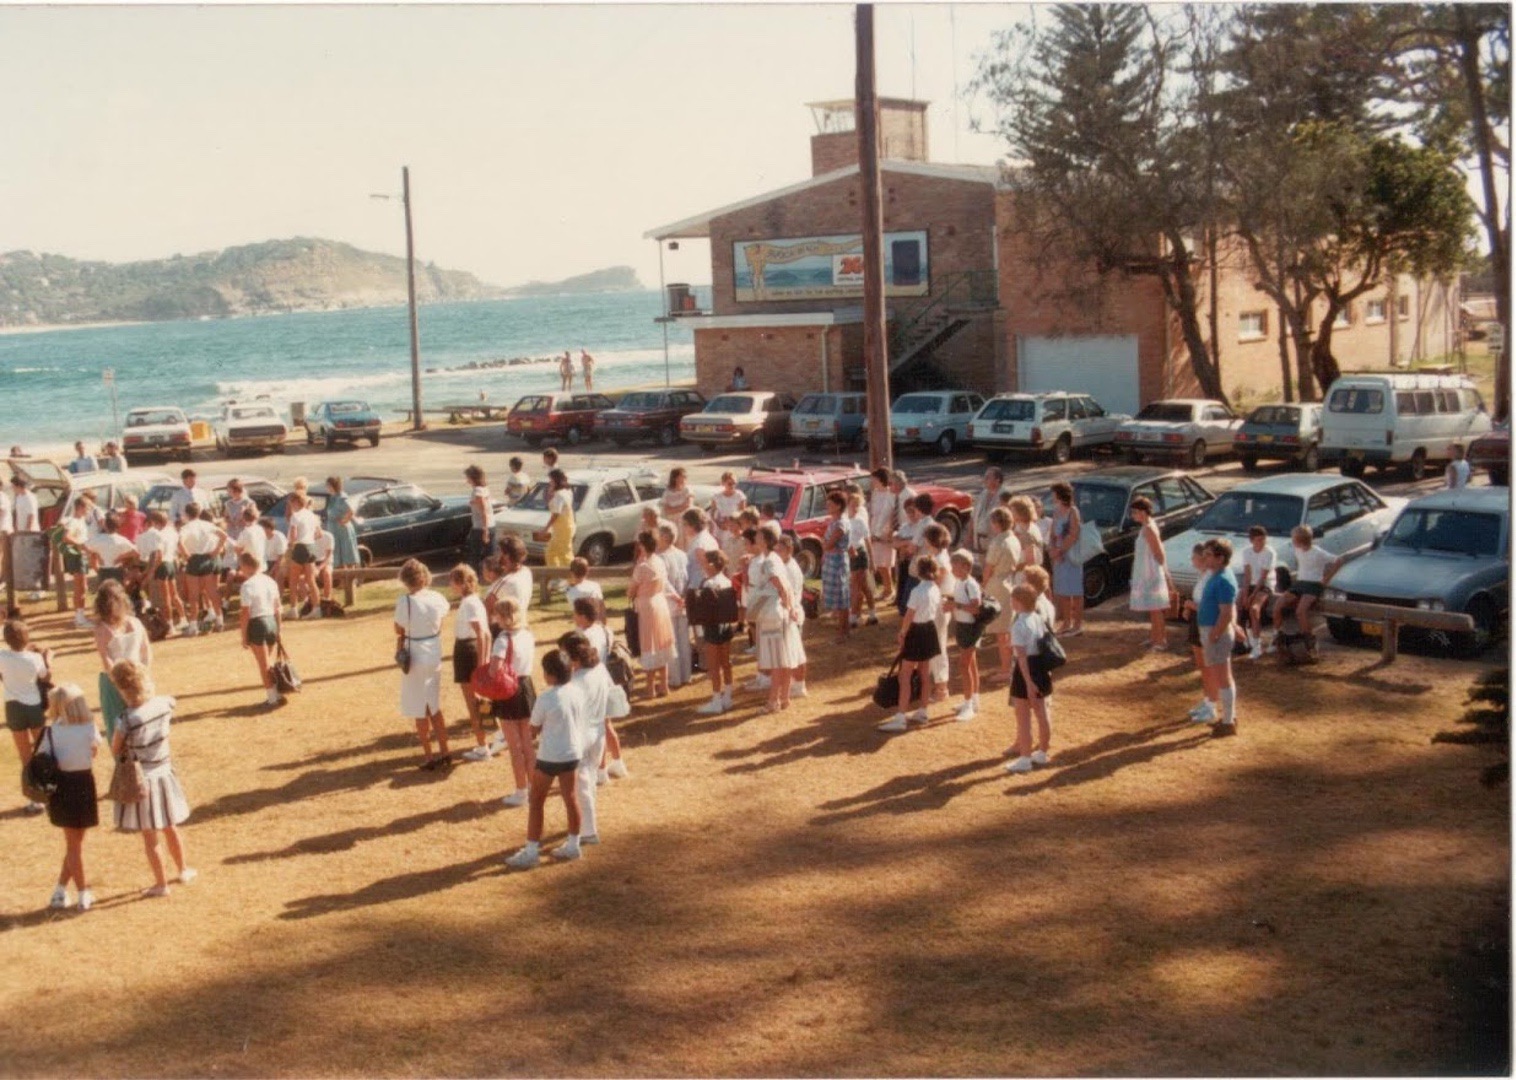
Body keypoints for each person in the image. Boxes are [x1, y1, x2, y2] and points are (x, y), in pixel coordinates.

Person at [110, 659, 195, 896]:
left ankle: (161, 884)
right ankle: (183, 869)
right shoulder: (164, 704)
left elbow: (115, 748)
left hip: (142, 778)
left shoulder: (126, 719)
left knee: (149, 835)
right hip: (164, 771)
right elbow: (170, 701)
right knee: (170, 826)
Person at [504, 648, 584, 868]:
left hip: (550, 757)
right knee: (571, 797)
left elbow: (533, 729)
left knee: (536, 800)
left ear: (552, 675)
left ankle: (531, 851)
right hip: (572, 753)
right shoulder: (577, 692)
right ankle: (573, 845)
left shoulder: (546, 698)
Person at [42, 684, 101, 911]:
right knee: (76, 844)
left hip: (62, 787)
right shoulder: (89, 727)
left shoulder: (51, 731)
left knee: (73, 844)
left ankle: (60, 890)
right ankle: (83, 892)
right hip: (84, 784)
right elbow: (94, 752)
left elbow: (44, 758)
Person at [393, 559, 453, 770]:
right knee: (434, 705)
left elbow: (398, 628)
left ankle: (429, 756)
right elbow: (441, 623)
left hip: (416, 652)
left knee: (419, 707)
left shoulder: (405, 601)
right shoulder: (437, 597)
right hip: (434, 650)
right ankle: (445, 751)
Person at [878, 555, 944, 733]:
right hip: (929, 630)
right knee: (924, 673)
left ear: (919, 571)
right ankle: (923, 711)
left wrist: (902, 633)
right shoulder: (935, 589)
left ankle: (901, 717)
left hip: (916, 631)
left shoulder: (917, 591)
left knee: (905, 675)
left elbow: (909, 615)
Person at [560, 630, 611, 845]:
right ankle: (586, 822)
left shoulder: (576, 681)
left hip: (581, 735)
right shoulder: (600, 669)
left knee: (581, 784)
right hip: (598, 732)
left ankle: (588, 831)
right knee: (589, 778)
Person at [570, 597, 629, 781]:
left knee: (596, 727)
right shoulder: (604, 629)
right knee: (606, 723)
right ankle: (618, 762)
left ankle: (601, 770)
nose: (573, 617)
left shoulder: (583, 636)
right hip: (603, 677)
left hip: (589, 681)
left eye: (575, 613)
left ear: (582, 615)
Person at [2, 618, 53, 813]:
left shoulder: (2, 656)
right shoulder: (35, 658)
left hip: (13, 708)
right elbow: (45, 676)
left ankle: (34, 799)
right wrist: (48, 659)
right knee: (41, 751)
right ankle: (48, 792)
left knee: (25, 756)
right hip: (34, 707)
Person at [491, 597, 539, 805]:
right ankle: (534, 787)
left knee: (515, 747)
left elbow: (494, 669)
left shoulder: (503, 639)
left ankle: (520, 792)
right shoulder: (528, 634)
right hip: (526, 687)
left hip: (508, 689)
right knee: (528, 744)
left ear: (503, 616)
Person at [1005, 583, 1055, 774]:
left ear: (1018, 601)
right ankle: (1042, 752)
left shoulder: (1019, 625)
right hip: (1041, 667)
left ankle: (1025, 758)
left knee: (1023, 717)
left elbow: (1022, 657)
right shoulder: (1038, 618)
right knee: (1042, 713)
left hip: (1026, 670)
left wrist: (1028, 683)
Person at [448, 565, 495, 762]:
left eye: (452, 581)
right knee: (481, 701)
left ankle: (483, 747)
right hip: (469, 649)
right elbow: (487, 634)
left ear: (461, 583)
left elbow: (482, 634)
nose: (450, 585)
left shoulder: (469, 604)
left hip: (467, 651)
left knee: (474, 703)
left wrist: (482, 665)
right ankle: (488, 741)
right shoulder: (475, 601)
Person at [93, 580, 151, 736]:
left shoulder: (103, 629)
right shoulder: (134, 622)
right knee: (136, 723)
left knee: (119, 725)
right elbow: (146, 652)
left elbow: (107, 660)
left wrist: (121, 683)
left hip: (118, 681)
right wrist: (142, 675)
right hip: (130, 677)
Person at [749, 527, 798, 712]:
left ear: (765, 540)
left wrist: (788, 605)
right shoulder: (774, 558)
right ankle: (784, 697)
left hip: (773, 612)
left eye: (759, 536)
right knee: (783, 657)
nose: (756, 538)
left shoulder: (769, 560)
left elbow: (779, 584)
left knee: (776, 659)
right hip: (777, 611)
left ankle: (773, 701)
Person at [1273, 525, 1341, 652]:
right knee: (1278, 605)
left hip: (1313, 584)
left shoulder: (1318, 552)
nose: (1292, 541)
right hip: (1300, 583)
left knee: (1300, 611)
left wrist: (1326, 579)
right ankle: (1277, 636)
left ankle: (1309, 640)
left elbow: (1338, 560)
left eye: (1294, 539)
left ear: (1300, 540)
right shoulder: (1297, 550)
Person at [1197, 539, 1240, 737]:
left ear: (1220, 558)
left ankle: (1228, 721)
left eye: (1208, 555)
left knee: (1223, 678)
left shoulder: (1223, 580)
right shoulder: (1217, 575)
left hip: (1216, 633)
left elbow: (1226, 613)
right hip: (1213, 631)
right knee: (1222, 676)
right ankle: (1228, 718)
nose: (1204, 558)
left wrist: (1214, 634)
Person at [628, 531, 675, 699]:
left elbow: (630, 591)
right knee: (661, 644)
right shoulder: (659, 561)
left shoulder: (642, 567)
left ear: (642, 546)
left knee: (649, 646)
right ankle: (664, 685)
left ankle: (650, 689)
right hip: (660, 603)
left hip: (647, 607)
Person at [694, 550, 739, 714]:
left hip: (712, 627)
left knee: (713, 666)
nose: (703, 566)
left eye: (705, 563)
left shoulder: (708, 584)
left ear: (712, 565)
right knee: (726, 662)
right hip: (725, 627)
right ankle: (727, 697)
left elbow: (702, 609)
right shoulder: (727, 581)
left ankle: (716, 701)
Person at [982, 507, 1022, 685]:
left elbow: (988, 568)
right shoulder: (1014, 539)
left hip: (997, 584)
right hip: (1009, 582)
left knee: (1001, 632)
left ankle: (1006, 670)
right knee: (1007, 630)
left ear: (997, 523)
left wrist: (983, 585)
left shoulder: (998, 542)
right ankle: (1009, 667)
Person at [1128, 496, 1173, 651]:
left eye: (1134, 512)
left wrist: (1162, 574)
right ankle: (1155, 637)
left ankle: (1160, 641)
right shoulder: (1146, 527)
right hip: (1146, 571)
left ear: (1143, 512)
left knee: (1156, 608)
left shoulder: (1148, 528)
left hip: (1151, 573)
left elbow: (1159, 553)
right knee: (1152, 608)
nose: (1133, 515)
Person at [945, 549, 983, 721]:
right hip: (962, 625)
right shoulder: (960, 582)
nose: (952, 570)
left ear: (966, 567)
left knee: (964, 665)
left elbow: (976, 608)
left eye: (955, 567)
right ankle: (973, 700)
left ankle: (968, 705)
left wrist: (956, 606)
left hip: (970, 628)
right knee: (971, 664)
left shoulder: (971, 584)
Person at [1182, 544, 1217, 723]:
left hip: (1205, 623)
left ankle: (1212, 706)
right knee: (1201, 665)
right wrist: (1189, 607)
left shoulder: (1211, 577)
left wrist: (1190, 605)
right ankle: (1207, 700)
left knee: (1208, 666)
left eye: (1193, 557)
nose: (1191, 560)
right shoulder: (1202, 575)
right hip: (1197, 621)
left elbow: (1208, 606)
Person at [178, 503, 226, 633]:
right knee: (212, 591)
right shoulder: (208, 525)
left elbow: (179, 541)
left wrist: (186, 555)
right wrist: (216, 550)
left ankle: (193, 625)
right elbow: (223, 536)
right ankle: (220, 620)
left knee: (193, 594)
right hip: (207, 558)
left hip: (194, 559)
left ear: (187, 514)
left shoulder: (186, 527)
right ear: (199, 513)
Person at [1046, 481, 1087, 636]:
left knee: (1075, 591)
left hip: (1071, 556)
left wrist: (1060, 550)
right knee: (1062, 590)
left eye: (1054, 493)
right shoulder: (1056, 511)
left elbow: (1073, 535)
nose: (1052, 496)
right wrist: (1052, 548)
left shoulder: (1073, 511)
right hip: (1059, 557)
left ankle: (1077, 625)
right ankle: (1066, 623)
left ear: (1060, 494)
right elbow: (1052, 533)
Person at [656, 524, 692, 689]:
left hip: (670, 601)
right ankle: (686, 675)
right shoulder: (682, 555)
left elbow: (664, 582)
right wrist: (683, 596)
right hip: (682, 600)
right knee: (683, 639)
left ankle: (675, 677)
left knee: (672, 640)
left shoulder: (660, 558)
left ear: (664, 537)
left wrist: (677, 597)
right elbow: (688, 578)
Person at [775, 534, 809, 697]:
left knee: (796, 652)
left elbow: (790, 594)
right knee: (791, 651)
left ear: (790, 550)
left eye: (780, 550)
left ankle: (800, 685)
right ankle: (796, 683)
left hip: (792, 614)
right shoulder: (783, 565)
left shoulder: (791, 569)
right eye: (776, 550)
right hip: (787, 613)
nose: (777, 553)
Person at [1240, 526, 1278, 659]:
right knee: (1237, 605)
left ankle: (1257, 647)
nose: (1262, 542)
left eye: (1263, 539)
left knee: (1254, 609)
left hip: (1265, 585)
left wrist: (1252, 595)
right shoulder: (1246, 552)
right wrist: (1245, 595)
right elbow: (1247, 575)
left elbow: (1263, 577)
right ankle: (1244, 641)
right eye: (1258, 540)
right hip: (1251, 585)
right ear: (1252, 540)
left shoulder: (1269, 552)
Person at [892, 493, 932, 618]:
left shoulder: (923, 525)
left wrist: (904, 546)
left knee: (908, 604)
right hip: (923, 564)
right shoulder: (930, 522)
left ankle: (910, 624)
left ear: (919, 509)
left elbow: (912, 548)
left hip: (919, 566)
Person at [819, 490, 851, 641]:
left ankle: (843, 632)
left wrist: (825, 544)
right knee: (838, 597)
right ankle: (842, 630)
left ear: (838, 506)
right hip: (831, 560)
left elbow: (828, 544)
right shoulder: (834, 522)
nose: (827, 507)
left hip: (837, 561)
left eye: (830, 504)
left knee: (841, 598)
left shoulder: (840, 524)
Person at [286, 492, 322, 618]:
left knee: (293, 580)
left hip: (300, 547)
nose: (290, 505)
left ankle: (293, 609)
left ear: (295, 502)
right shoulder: (312, 515)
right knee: (311, 580)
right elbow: (319, 534)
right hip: (311, 546)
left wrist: (291, 545)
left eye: (291, 502)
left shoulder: (295, 516)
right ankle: (317, 609)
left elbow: (293, 535)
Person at [487, 535, 534, 629]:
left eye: (500, 551)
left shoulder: (505, 582)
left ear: (507, 556)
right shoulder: (526, 572)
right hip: (522, 625)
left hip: (504, 629)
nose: (497, 554)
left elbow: (487, 608)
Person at [868, 467, 899, 604]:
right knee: (878, 562)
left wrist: (882, 533)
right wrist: (871, 531)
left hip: (885, 532)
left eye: (874, 479)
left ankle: (889, 589)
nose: (872, 482)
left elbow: (890, 515)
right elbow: (872, 513)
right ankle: (887, 588)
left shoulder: (890, 494)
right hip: (874, 528)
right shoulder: (875, 493)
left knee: (884, 563)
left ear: (881, 480)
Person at [59, 500, 92, 628]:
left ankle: (79, 615)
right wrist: (81, 545)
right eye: (87, 508)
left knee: (82, 587)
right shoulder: (73, 521)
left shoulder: (80, 520)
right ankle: (80, 619)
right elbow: (66, 537)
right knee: (81, 587)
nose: (88, 511)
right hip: (77, 556)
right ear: (80, 507)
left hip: (80, 555)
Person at [845, 490, 875, 627]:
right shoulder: (845, 520)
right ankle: (865, 614)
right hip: (849, 554)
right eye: (853, 505)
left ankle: (854, 617)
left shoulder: (860, 521)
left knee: (857, 586)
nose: (855, 508)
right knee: (861, 586)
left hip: (860, 554)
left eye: (858, 505)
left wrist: (872, 560)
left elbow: (868, 541)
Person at [86, 510, 137, 590]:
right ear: (117, 526)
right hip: (117, 570)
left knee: (104, 593)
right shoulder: (121, 540)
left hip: (103, 570)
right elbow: (136, 552)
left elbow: (84, 546)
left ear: (105, 525)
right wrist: (120, 557)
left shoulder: (98, 539)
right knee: (117, 592)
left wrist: (96, 554)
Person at [462, 465, 497, 575]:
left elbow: (483, 511)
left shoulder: (477, 491)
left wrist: (485, 530)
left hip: (480, 527)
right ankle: (492, 574)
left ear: (472, 477)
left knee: (475, 555)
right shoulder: (484, 489)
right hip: (491, 525)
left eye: (467, 476)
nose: (466, 479)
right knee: (490, 554)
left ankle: (475, 575)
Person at [540, 469, 576, 570]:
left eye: (551, 480)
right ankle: (556, 574)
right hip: (564, 527)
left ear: (556, 481)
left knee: (565, 555)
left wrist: (546, 529)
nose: (550, 482)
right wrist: (551, 491)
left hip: (563, 529)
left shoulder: (559, 495)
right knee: (551, 553)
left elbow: (556, 514)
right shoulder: (566, 491)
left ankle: (572, 574)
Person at [326, 477, 362, 571]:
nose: (327, 488)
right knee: (337, 555)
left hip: (342, 530)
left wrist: (345, 520)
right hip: (334, 529)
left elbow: (351, 510)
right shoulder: (333, 497)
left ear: (333, 486)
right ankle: (341, 577)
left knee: (347, 554)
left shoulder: (342, 497)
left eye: (328, 485)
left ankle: (351, 576)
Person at [221, 479, 255, 577]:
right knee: (232, 558)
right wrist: (229, 520)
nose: (228, 492)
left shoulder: (249, 502)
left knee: (244, 555)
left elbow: (253, 518)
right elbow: (225, 516)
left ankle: (245, 574)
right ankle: (231, 574)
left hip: (243, 533)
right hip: (232, 533)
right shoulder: (228, 503)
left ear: (236, 490)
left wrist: (242, 518)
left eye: (229, 489)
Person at [973, 466, 1004, 552]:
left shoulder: (1004, 496)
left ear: (997, 480)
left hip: (995, 542)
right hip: (978, 541)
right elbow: (973, 517)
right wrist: (968, 538)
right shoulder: (982, 494)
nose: (984, 480)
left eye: (987, 478)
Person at [660, 468, 693, 538]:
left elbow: (688, 505)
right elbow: (666, 511)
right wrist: (680, 508)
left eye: (685, 476)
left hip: (685, 522)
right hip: (672, 523)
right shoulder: (667, 493)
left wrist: (673, 509)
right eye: (682, 476)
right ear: (675, 478)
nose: (685, 478)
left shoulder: (687, 490)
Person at [259, 516, 287, 582]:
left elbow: (281, 557)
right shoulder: (260, 536)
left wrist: (271, 571)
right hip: (265, 562)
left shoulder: (279, 537)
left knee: (278, 573)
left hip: (278, 562)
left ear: (269, 528)